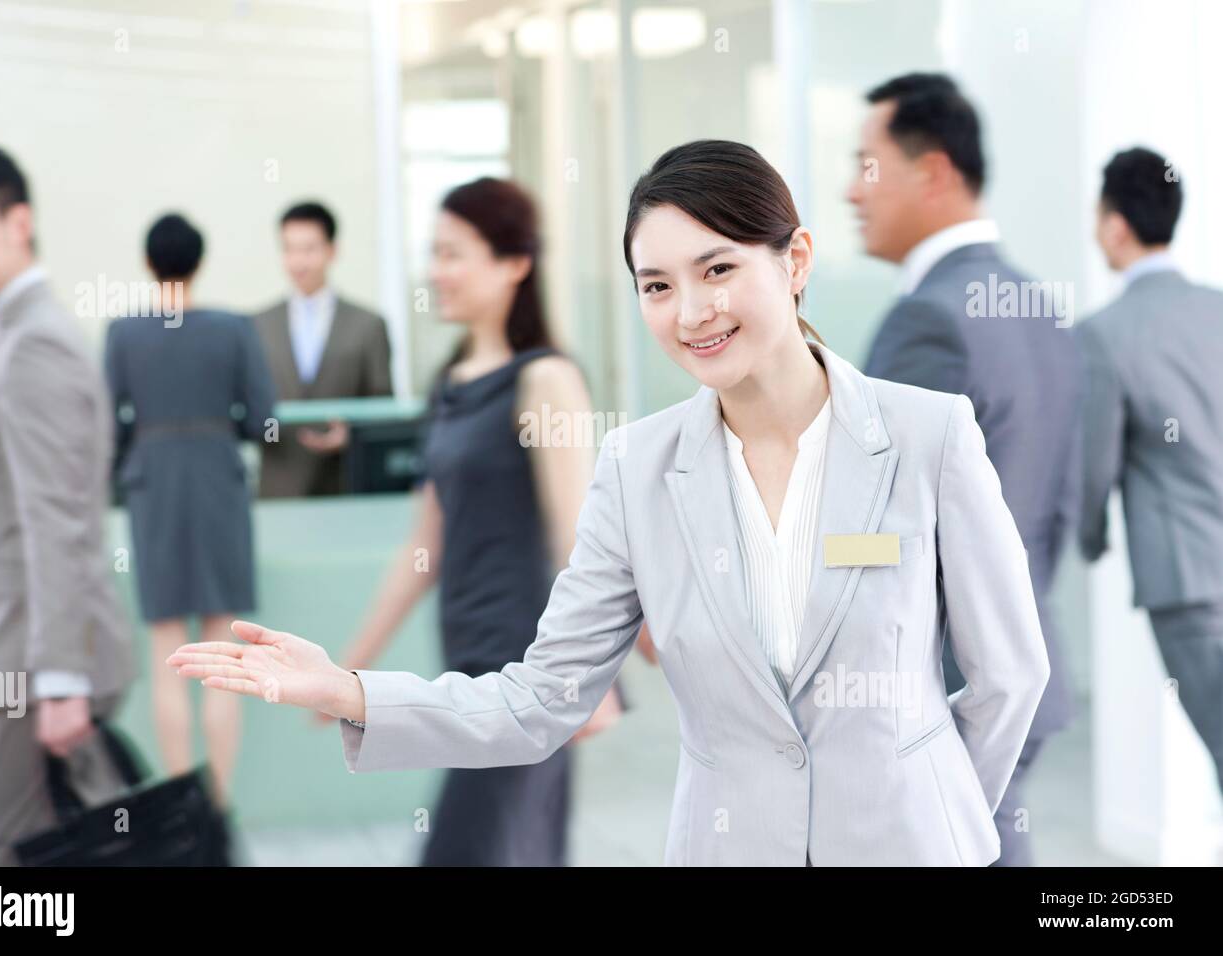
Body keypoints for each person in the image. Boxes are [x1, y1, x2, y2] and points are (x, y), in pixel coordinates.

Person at [168, 140, 1050, 867]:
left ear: (796, 261)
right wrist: (350, 689)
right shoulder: (638, 467)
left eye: (717, 269)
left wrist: (934, 820)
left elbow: (1010, 676)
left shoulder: (927, 436)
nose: (691, 311)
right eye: (657, 285)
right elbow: (537, 699)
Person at [317, 177, 625, 865]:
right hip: (469, 660)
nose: (437, 272)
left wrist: (593, 674)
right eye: (434, 253)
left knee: (477, 848)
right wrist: (350, 667)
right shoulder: (451, 381)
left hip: (528, 668)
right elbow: (423, 546)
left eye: (455, 253)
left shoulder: (544, 379)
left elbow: (578, 536)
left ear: (515, 263)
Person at [849, 72, 1082, 866]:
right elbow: (1058, 504)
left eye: (867, 165)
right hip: (1022, 667)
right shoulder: (1039, 305)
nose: (852, 190)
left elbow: (889, 536)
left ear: (935, 172)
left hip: (945, 689)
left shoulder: (929, 319)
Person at [0, 145, 134, 865]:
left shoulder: (36, 344)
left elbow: (60, 524)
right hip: (1, 654)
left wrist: (63, 680)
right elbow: (2, 518)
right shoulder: (0, 334)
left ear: (19, 223)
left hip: (21, 675)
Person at [105, 213, 275, 806]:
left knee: (167, 651)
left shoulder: (123, 334)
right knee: (223, 654)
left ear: (149, 264)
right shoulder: (234, 329)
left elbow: (109, 425)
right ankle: (219, 806)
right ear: (198, 262)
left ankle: (183, 811)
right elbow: (260, 418)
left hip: (153, 488)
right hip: (218, 486)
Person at [1078, 147, 1223, 792]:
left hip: (1189, 583)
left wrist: (1086, 537)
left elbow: (1095, 463)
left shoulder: (1104, 334)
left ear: (1114, 226)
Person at [253, 201, 392, 498]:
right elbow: (248, 401)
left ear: (332, 251)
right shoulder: (258, 325)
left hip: (344, 483)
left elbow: (384, 407)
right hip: (279, 486)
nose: (298, 261)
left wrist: (351, 436)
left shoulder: (368, 325)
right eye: (289, 249)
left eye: (309, 249)